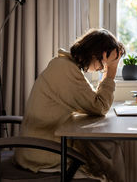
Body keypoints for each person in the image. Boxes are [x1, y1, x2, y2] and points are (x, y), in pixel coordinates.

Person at [14, 28, 126, 182]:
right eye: (103, 63)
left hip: (40, 146)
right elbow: (99, 107)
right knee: (107, 152)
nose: (102, 68)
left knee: (103, 151)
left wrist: (108, 69)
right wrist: (111, 71)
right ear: (95, 54)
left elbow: (93, 103)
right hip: (42, 154)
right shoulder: (65, 69)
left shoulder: (65, 65)